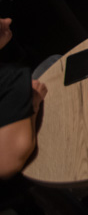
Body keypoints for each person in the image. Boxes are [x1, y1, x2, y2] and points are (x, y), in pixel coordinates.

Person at [0, 18, 48, 181]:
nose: (7, 21)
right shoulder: (10, 79)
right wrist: (33, 104)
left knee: (52, 61)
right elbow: (6, 164)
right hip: (13, 183)